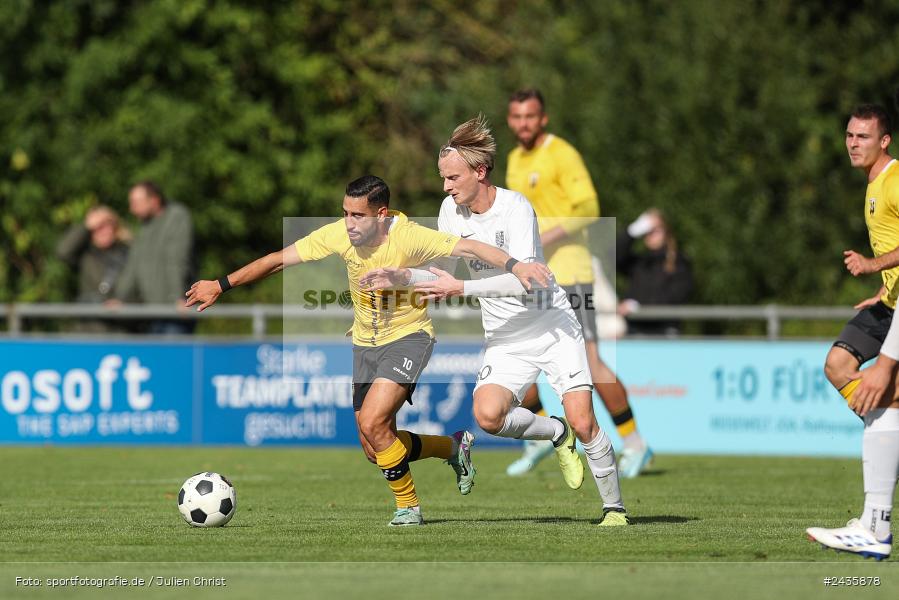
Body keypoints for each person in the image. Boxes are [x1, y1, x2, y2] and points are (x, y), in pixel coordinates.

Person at [185, 174, 551, 527]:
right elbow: (277, 260)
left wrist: (517, 266)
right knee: (374, 448)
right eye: (345, 213)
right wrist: (221, 284)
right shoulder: (338, 235)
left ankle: (409, 508)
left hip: (409, 337)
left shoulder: (408, 237)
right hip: (365, 344)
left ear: (381, 214)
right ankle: (452, 448)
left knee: (373, 422)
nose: (348, 223)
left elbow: (470, 247)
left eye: (357, 214)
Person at [362, 117, 629, 526]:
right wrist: (402, 276)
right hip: (505, 337)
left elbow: (526, 279)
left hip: (552, 328)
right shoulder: (450, 212)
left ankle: (614, 509)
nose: (446, 187)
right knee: (488, 417)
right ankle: (555, 433)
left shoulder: (516, 207)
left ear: (480, 172)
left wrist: (462, 291)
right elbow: (440, 272)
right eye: (443, 178)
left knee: (585, 419)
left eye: (452, 178)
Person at [504, 88, 652, 478]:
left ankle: (636, 444)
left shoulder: (562, 154)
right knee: (517, 359)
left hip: (569, 274)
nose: (523, 124)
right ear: (509, 121)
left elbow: (589, 208)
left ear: (543, 118)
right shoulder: (515, 159)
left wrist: (547, 237)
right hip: (531, 277)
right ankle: (537, 440)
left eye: (530, 116)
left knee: (590, 362)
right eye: (517, 117)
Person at [807, 104, 899, 560]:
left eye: (863, 136)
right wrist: (884, 289)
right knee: (838, 364)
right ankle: (878, 499)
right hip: (889, 303)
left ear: (885, 141)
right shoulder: (873, 185)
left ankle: (875, 523)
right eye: (849, 135)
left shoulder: (896, 179)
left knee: (885, 396)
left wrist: (872, 265)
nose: (852, 143)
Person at [113, 181, 196, 334]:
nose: (132, 209)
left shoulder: (176, 216)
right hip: (151, 312)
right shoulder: (145, 226)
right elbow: (133, 265)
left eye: (136, 203)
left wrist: (179, 297)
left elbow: (176, 259)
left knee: (172, 356)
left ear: (154, 200)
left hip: (176, 311)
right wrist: (120, 298)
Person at [616, 208, 693, 336]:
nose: (650, 235)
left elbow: (674, 298)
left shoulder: (679, 263)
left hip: (665, 332)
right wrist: (632, 231)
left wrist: (639, 307)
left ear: (666, 232)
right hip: (636, 331)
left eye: (655, 230)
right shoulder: (640, 263)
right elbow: (614, 257)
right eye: (647, 231)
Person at [56, 205, 130, 332]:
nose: (102, 232)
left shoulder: (129, 253)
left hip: (121, 328)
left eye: (106, 225)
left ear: (115, 227)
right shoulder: (86, 255)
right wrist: (86, 226)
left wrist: (125, 303)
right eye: (97, 228)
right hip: (90, 327)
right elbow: (63, 252)